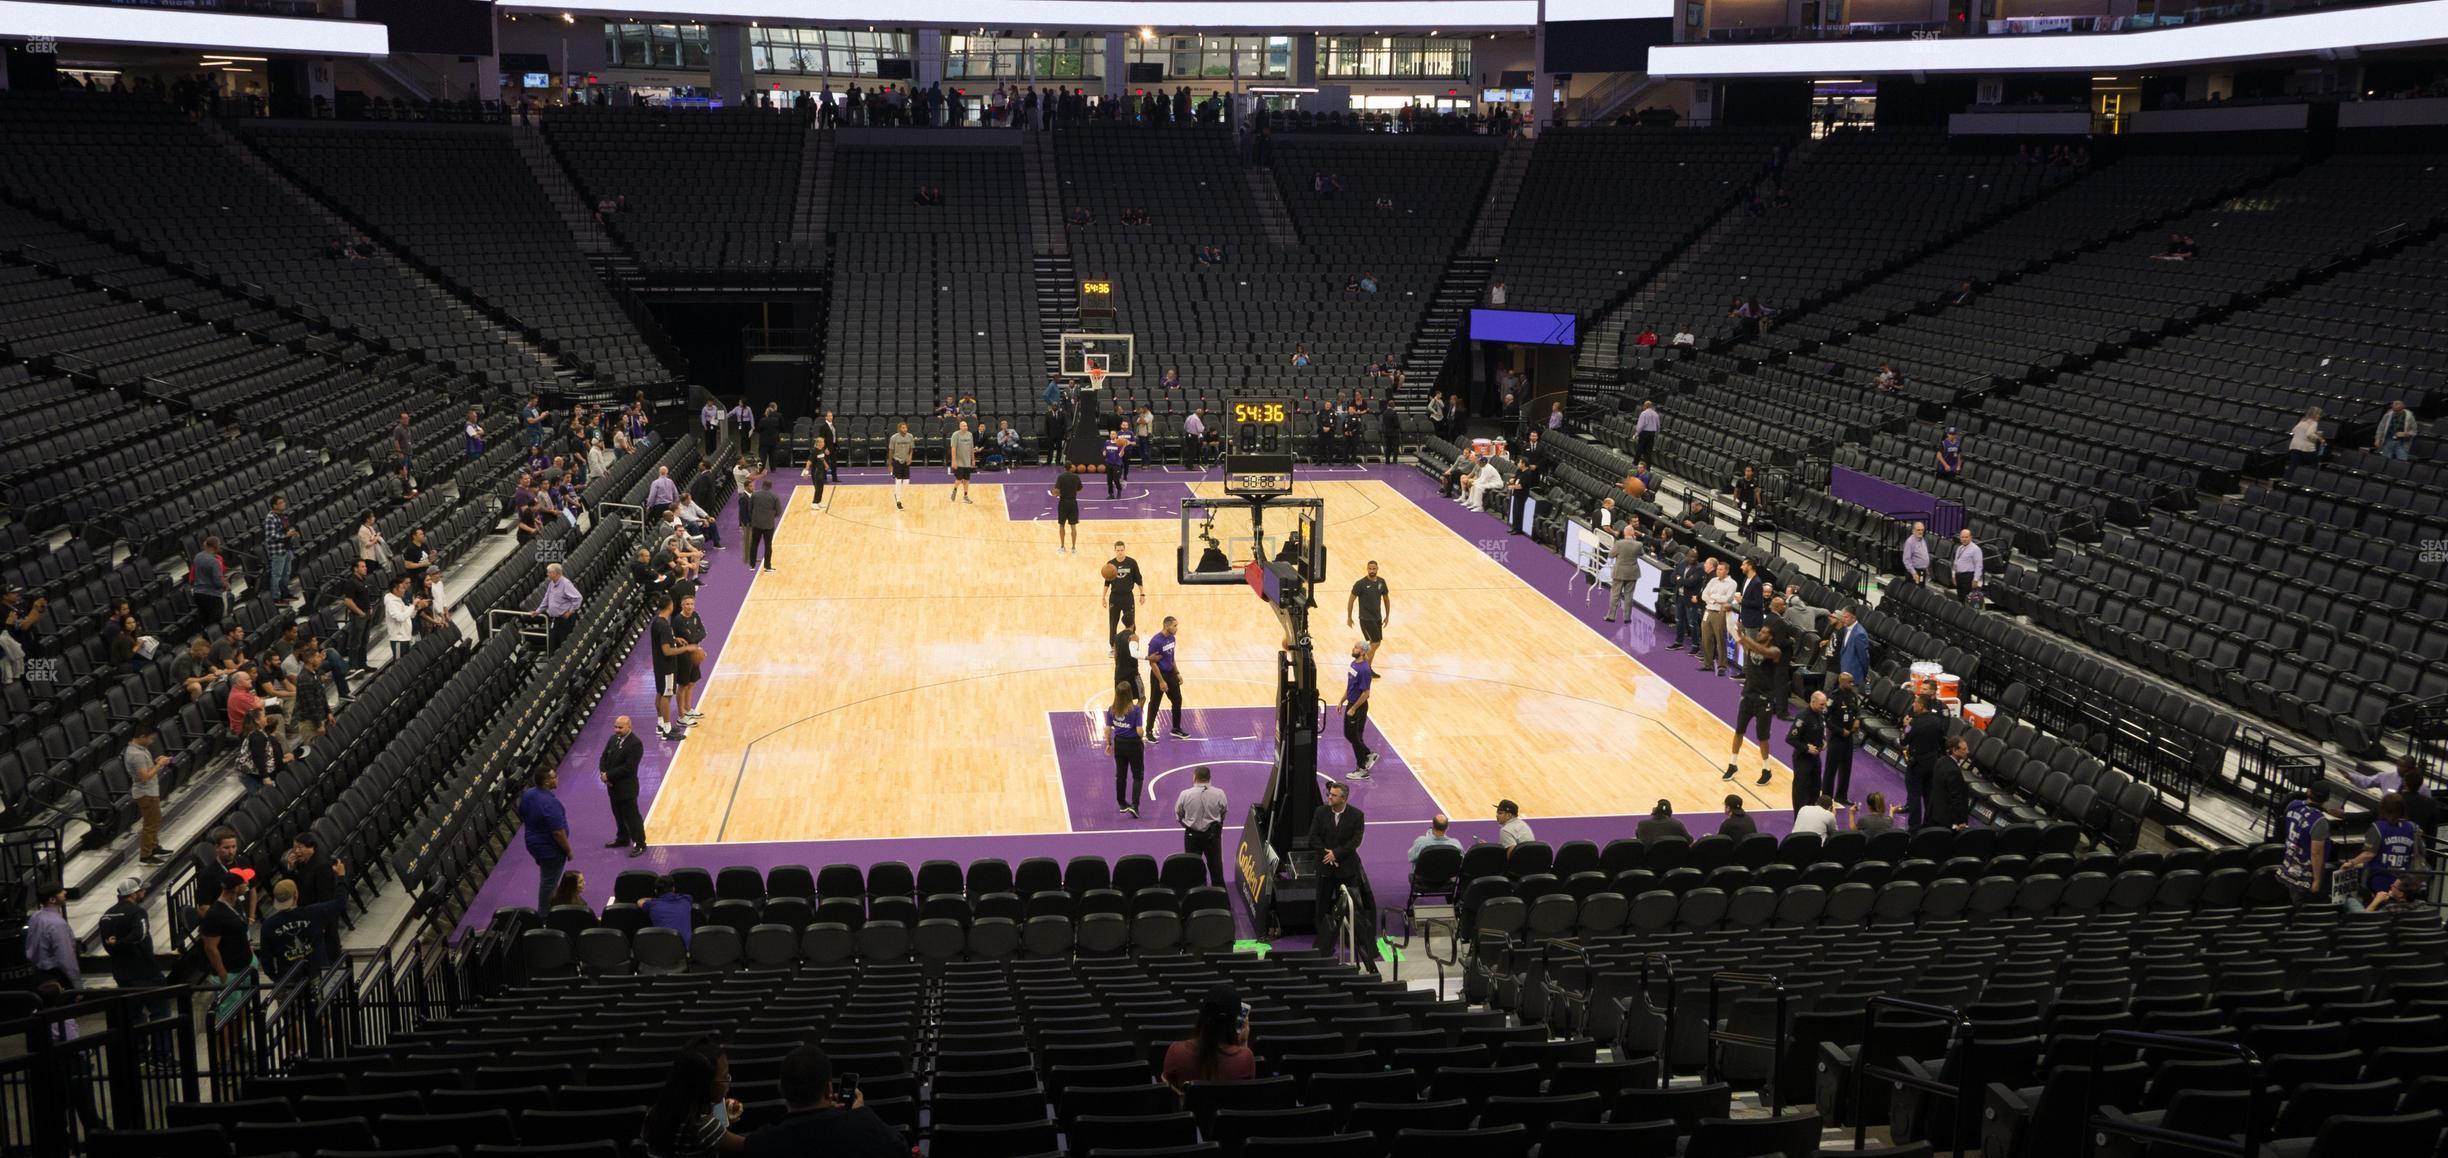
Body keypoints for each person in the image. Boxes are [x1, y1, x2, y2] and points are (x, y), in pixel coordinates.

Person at [740, 1045, 905, 1158]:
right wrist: (860, 1115)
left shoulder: (763, 1142)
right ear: (829, 1090)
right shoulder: (863, 1126)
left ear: (781, 1089)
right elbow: (900, 1149)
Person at [641, 1036, 748, 1158]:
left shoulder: (652, 1115)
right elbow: (749, 1145)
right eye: (725, 1077)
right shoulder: (704, 1127)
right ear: (705, 1085)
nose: (728, 1081)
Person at [1308, 783, 1376, 962]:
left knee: (1352, 907)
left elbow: (1355, 841)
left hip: (1346, 869)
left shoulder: (1356, 816)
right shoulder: (1320, 812)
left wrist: (1336, 854)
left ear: (1343, 798)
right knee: (1321, 908)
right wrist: (1328, 855)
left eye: (1334, 795)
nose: (1329, 797)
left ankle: (1355, 942)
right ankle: (1323, 945)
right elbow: (1313, 837)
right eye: (1329, 794)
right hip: (1325, 867)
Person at [1162, 985, 1258, 1096]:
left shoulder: (1176, 1051)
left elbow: (1167, 1097)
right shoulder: (1245, 1058)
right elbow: (1246, 1095)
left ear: (1202, 1015)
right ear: (1235, 1022)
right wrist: (1243, 1044)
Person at [1725, 622, 1782, 787]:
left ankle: (1766, 769)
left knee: (1762, 737)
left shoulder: (1775, 651)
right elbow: (1740, 640)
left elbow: (1762, 650)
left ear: (1770, 637)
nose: (1760, 633)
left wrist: (1745, 638)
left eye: (1764, 632)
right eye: (1761, 630)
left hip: (1764, 698)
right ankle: (1733, 764)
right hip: (1748, 694)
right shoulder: (1751, 644)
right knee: (1739, 731)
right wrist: (1739, 633)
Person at [261, 875, 349, 975]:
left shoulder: (268, 925)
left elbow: (266, 958)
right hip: (319, 974)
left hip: (290, 979)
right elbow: (340, 902)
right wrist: (341, 877)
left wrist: (276, 978)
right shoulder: (313, 912)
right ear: (296, 895)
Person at [518, 767, 571, 915]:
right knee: (549, 882)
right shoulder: (550, 804)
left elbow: (522, 813)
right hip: (550, 849)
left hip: (534, 844)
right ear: (547, 782)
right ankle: (544, 916)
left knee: (548, 876)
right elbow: (558, 832)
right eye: (554, 777)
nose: (557, 779)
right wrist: (568, 850)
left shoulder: (528, 794)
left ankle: (552, 906)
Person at [2278, 780, 2333, 905]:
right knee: (2301, 908)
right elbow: (2316, 854)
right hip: (2304, 873)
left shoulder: (2293, 805)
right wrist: (2317, 880)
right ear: (2328, 798)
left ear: (2308, 791)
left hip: (2288, 863)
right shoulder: (2319, 821)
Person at [1173, 765, 1228, 887]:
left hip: (1192, 835)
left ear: (1194, 777)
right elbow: (1224, 812)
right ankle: (1220, 898)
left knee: (1193, 867)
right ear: (1210, 778)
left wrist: (1187, 825)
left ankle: (1196, 895)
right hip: (1213, 835)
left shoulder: (1185, 794)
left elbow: (1178, 814)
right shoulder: (1219, 793)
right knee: (1216, 867)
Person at [123, 724, 170, 864]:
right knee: (150, 823)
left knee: (155, 820)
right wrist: (159, 764)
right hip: (145, 793)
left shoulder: (140, 750)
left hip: (150, 791)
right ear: (142, 737)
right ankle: (146, 855)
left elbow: (146, 770)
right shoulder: (135, 754)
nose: (152, 741)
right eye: (150, 739)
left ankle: (153, 846)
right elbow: (144, 776)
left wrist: (155, 762)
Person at [198, 871, 254, 987]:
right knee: (232, 1005)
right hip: (230, 971)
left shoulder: (236, 903)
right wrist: (222, 973)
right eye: (244, 882)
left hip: (245, 964)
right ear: (236, 888)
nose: (247, 883)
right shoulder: (215, 914)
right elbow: (210, 948)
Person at [602, 715, 648, 856]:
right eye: (616, 726)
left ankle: (640, 843)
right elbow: (603, 757)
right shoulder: (612, 739)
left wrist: (608, 776)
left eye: (620, 727)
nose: (617, 730)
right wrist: (603, 773)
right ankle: (622, 838)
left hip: (627, 788)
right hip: (612, 786)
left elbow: (629, 767)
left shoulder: (635, 744)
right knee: (618, 814)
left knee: (632, 817)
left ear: (629, 727)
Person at [1902, 695, 1950, 829]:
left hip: (1917, 764)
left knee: (1914, 795)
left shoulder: (1913, 723)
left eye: (1915, 703)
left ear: (1922, 706)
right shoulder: (1938, 722)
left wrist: (1905, 726)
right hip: (1932, 763)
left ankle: (1915, 826)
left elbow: (1903, 740)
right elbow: (1942, 742)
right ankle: (1930, 824)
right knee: (1929, 794)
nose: (1913, 705)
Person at [650, 594, 693, 740]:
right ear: (670, 606)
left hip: (658, 665)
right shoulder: (664, 626)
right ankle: (667, 730)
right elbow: (667, 651)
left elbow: (661, 639)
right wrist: (686, 649)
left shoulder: (657, 621)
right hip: (667, 666)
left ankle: (660, 723)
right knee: (666, 696)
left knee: (660, 693)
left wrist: (674, 638)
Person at [25, 881, 76, 989]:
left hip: (37, 975)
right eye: (60, 892)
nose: (65, 892)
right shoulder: (57, 924)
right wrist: (76, 986)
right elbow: (66, 958)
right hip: (56, 978)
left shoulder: (35, 917)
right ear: (52, 899)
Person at [1107, 682, 1147, 818]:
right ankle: (1135, 806)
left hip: (1119, 744)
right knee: (1138, 775)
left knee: (1121, 775)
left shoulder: (1112, 709)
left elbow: (1107, 729)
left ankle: (1122, 803)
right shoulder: (1135, 710)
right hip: (1134, 745)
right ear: (1130, 694)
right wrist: (1143, 736)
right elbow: (1139, 730)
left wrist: (1109, 743)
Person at [1339, 643, 1377, 780]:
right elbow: (1350, 685)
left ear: (1362, 652)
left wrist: (1354, 708)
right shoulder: (1353, 664)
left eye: (1356, 648)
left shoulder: (1365, 670)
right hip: (1351, 704)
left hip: (1358, 707)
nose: (1353, 649)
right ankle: (1367, 754)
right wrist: (1342, 700)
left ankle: (1362, 769)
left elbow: (1366, 693)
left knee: (1355, 736)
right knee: (1349, 734)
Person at [1825, 672, 1862, 807]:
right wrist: (1840, 731)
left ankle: (1841, 796)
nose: (1852, 684)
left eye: (1852, 682)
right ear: (1842, 682)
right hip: (1836, 737)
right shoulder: (1833, 697)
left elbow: (1857, 710)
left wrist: (1857, 720)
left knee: (1846, 768)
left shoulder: (1853, 696)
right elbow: (1826, 719)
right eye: (1849, 682)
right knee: (1831, 769)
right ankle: (1827, 798)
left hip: (1849, 737)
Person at [1147, 616, 1186, 739]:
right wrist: (1161, 681)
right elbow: (1152, 663)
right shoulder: (1155, 641)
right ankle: (1149, 731)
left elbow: (1171, 657)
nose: (1176, 628)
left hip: (1170, 674)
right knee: (1154, 703)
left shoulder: (1172, 639)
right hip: (1159, 675)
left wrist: (1177, 673)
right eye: (1175, 626)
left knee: (1177, 700)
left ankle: (1176, 728)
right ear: (1166, 626)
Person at [1789, 691, 1827, 808]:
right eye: (1821, 704)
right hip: (1802, 759)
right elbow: (1790, 739)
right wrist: (1806, 748)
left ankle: (1811, 815)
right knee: (1800, 791)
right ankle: (1799, 818)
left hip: (1815, 759)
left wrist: (1823, 741)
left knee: (1815, 788)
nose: (1824, 707)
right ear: (1813, 701)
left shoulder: (1820, 715)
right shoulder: (1803, 717)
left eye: (1824, 704)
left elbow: (1820, 731)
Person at [1701, 559, 1737, 676]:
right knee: (1706, 639)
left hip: (1720, 613)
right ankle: (1708, 664)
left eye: (1721, 570)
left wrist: (1713, 597)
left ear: (1727, 571)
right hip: (1708, 611)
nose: (1718, 572)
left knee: (1720, 640)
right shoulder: (1713, 580)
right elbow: (1703, 595)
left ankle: (1722, 666)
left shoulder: (1732, 583)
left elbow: (1727, 599)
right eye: (1717, 569)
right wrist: (1716, 598)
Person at [1103, 541, 1146, 640]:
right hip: (1114, 597)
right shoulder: (1110, 564)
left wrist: (1142, 594)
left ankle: (1132, 644)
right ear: (1115, 551)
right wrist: (1103, 597)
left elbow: (1138, 579)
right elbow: (1106, 583)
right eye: (1118, 550)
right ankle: (1113, 646)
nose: (1120, 552)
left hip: (1128, 597)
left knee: (1131, 623)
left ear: (1124, 550)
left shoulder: (1132, 562)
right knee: (1113, 623)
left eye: (1122, 550)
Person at [1347, 560, 1390, 654]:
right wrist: (1349, 617)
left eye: (1374, 569)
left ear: (1377, 569)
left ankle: (1366, 666)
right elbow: (1351, 600)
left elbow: (1386, 599)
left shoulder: (1381, 582)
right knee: (1375, 643)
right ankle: (1364, 664)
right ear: (1367, 569)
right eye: (1370, 569)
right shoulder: (1360, 584)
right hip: (1366, 618)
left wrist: (1387, 616)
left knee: (1375, 643)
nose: (1372, 571)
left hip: (1377, 617)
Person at [538, 564, 583, 650]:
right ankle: (554, 662)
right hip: (556, 619)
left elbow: (578, 598)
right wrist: (538, 611)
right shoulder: (551, 584)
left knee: (565, 644)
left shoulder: (565, 584)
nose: (547, 574)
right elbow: (546, 598)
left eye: (549, 572)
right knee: (553, 643)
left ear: (556, 573)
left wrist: (570, 612)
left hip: (564, 620)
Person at [643, 875, 695, 945]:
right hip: (685, 950)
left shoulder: (651, 905)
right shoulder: (686, 900)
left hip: (663, 950)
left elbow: (640, 901)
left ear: (655, 891)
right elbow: (687, 896)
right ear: (673, 889)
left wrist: (653, 900)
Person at [190, 533, 230, 624]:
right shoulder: (214, 562)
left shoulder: (198, 556)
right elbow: (217, 582)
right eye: (219, 544)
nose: (220, 546)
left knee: (204, 620)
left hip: (198, 594)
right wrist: (226, 584)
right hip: (212, 596)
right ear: (214, 546)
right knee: (214, 623)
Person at [745, 479, 782, 573]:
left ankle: (752, 565)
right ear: (770, 486)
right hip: (768, 525)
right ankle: (767, 566)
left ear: (762, 485)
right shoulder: (774, 496)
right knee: (768, 546)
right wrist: (770, 516)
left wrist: (754, 517)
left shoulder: (754, 494)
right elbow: (778, 512)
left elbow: (750, 509)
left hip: (756, 524)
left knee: (754, 544)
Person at [2287, 407, 2326, 477]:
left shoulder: (2302, 421)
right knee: (2315, 465)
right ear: (2315, 414)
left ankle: (2287, 482)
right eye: (2319, 414)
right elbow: (2309, 434)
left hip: (2294, 447)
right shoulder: (2314, 423)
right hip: (2307, 449)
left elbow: (2293, 430)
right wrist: (2320, 438)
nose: (2320, 416)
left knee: (2293, 468)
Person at [1052, 469, 1083, 554]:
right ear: (1071, 468)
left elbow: (1057, 491)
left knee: (1062, 525)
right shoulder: (1076, 477)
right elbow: (1080, 488)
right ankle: (1073, 548)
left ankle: (1062, 547)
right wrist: (1072, 491)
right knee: (1073, 526)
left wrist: (1054, 493)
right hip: (1073, 503)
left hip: (1063, 503)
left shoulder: (1061, 477)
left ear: (1064, 468)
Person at [886, 421, 915, 509]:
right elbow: (891, 451)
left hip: (906, 461)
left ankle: (897, 493)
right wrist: (890, 464)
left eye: (906, 428)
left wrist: (910, 457)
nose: (905, 429)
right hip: (897, 460)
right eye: (903, 428)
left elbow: (911, 448)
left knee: (906, 482)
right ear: (899, 429)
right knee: (898, 481)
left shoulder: (910, 436)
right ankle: (898, 500)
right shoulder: (894, 438)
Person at [948, 419, 977, 504]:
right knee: (959, 478)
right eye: (964, 426)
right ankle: (954, 490)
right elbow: (953, 448)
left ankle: (965, 496)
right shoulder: (955, 435)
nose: (966, 427)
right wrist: (953, 461)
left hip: (967, 461)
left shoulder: (970, 435)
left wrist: (973, 459)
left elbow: (971, 448)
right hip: (958, 461)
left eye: (966, 425)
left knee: (967, 479)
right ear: (960, 427)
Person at [1952, 529, 1985, 602]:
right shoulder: (1959, 548)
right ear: (1960, 538)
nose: (1964, 539)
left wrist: (1975, 579)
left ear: (1971, 537)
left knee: (1967, 599)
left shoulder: (1976, 549)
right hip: (1959, 576)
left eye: (1966, 537)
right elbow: (1956, 562)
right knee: (1960, 598)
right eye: (1962, 537)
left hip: (1968, 577)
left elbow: (1979, 565)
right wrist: (1954, 574)